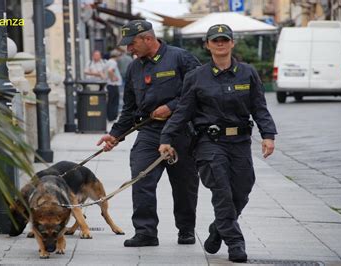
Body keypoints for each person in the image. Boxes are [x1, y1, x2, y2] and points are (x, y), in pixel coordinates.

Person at [159, 24, 277, 262]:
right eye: (215, 40)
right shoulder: (196, 77)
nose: (220, 44)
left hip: (240, 142)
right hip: (210, 143)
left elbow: (259, 107)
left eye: (225, 39)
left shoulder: (248, 73)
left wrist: (268, 135)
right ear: (207, 45)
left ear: (232, 43)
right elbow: (182, 111)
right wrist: (166, 138)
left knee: (241, 191)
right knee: (222, 192)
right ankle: (235, 242)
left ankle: (218, 230)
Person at [97, 20, 201, 247]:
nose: (129, 50)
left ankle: (186, 229)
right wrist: (115, 135)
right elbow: (129, 108)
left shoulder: (181, 58)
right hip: (150, 133)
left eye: (132, 44)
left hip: (181, 132)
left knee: (184, 185)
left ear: (148, 39)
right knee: (141, 178)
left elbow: (198, 91)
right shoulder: (134, 67)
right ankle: (145, 232)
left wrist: (172, 107)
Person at [105, 50, 122, 121]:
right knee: (114, 101)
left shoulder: (108, 61)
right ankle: (113, 116)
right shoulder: (113, 62)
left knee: (110, 101)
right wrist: (113, 78)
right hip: (113, 84)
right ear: (117, 56)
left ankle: (110, 116)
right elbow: (110, 71)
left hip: (109, 84)